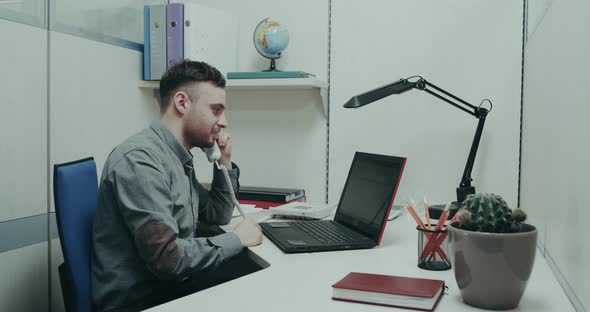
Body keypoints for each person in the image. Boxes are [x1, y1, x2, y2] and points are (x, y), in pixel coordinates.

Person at [91, 60, 263, 312]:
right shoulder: (142, 160)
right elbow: (167, 258)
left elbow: (218, 213)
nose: (224, 121)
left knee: (257, 279)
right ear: (182, 103)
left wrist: (223, 164)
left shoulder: (177, 159)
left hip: (170, 287)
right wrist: (236, 239)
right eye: (216, 110)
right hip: (143, 300)